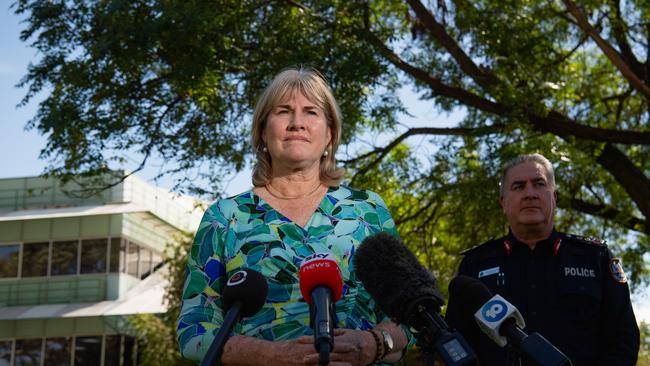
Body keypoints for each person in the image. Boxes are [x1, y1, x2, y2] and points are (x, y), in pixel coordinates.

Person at [177, 67, 411, 365]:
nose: (297, 122)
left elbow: (411, 315)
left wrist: (372, 344)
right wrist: (273, 355)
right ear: (263, 132)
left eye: (311, 112)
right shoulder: (224, 218)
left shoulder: (368, 211)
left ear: (330, 134)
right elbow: (193, 329)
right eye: (284, 111)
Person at [445, 153, 640, 365]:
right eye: (518, 186)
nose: (530, 194)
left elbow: (623, 339)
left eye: (539, 184)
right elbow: (457, 343)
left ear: (554, 197)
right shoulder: (476, 264)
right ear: (503, 203)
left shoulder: (596, 258)